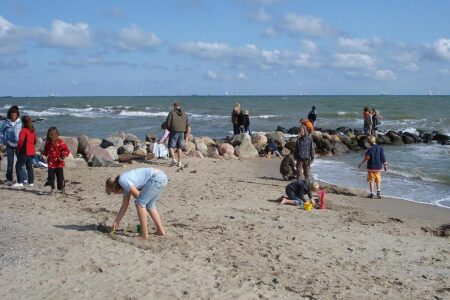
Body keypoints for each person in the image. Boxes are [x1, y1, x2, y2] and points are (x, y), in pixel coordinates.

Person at [105, 167, 168, 239]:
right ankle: (161, 231)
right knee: (150, 205)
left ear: (114, 186)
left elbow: (137, 195)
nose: (115, 194)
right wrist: (117, 221)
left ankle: (144, 235)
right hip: (162, 177)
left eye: (113, 191)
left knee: (140, 203)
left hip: (156, 178)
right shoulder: (125, 187)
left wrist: (141, 203)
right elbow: (124, 206)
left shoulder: (122, 180)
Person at [42, 127, 70, 194]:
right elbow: (46, 150)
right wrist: (44, 155)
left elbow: (66, 150)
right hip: (51, 163)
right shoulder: (48, 143)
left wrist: (62, 157)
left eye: (51, 134)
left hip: (59, 163)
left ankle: (62, 188)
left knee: (60, 177)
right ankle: (52, 189)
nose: (50, 136)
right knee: (51, 177)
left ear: (56, 134)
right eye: (49, 134)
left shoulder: (60, 142)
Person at [0, 105, 22, 185]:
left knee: (20, 162)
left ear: (17, 115)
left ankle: (21, 179)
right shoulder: (6, 122)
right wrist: (4, 140)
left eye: (15, 115)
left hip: (19, 145)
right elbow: (1, 132)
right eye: (12, 115)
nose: (13, 117)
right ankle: (9, 179)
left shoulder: (20, 122)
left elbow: (24, 132)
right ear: (10, 115)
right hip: (9, 144)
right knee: (10, 162)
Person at [13, 116, 36, 187]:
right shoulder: (32, 130)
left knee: (18, 166)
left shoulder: (24, 130)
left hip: (25, 151)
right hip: (32, 152)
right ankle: (31, 182)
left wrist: (18, 148)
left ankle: (20, 182)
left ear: (23, 122)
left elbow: (20, 141)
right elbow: (35, 141)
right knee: (29, 167)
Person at [166, 101, 189, 167]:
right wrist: (185, 132)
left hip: (174, 131)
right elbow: (187, 124)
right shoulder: (184, 114)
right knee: (180, 147)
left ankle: (173, 160)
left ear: (174, 106)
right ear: (179, 106)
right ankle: (179, 162)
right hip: (182, 132)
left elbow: (168, 123)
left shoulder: (172, 113)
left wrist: (169, 129)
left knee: (170, 146)